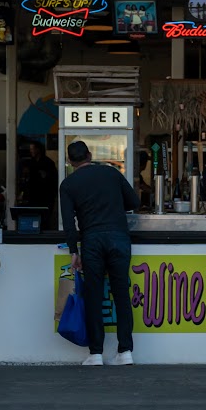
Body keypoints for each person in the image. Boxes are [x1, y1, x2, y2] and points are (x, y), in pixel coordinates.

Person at [60, 140, 139, 366]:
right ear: (90, 154)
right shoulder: (111, 173)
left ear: (69, 161)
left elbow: (68, 223)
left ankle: (95, 353)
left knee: (94, 296)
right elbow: (134, 201)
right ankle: (125, 352)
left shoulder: (68, 184)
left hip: (92, 240)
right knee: (121, 293)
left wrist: (74, 251)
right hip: (118, 237)